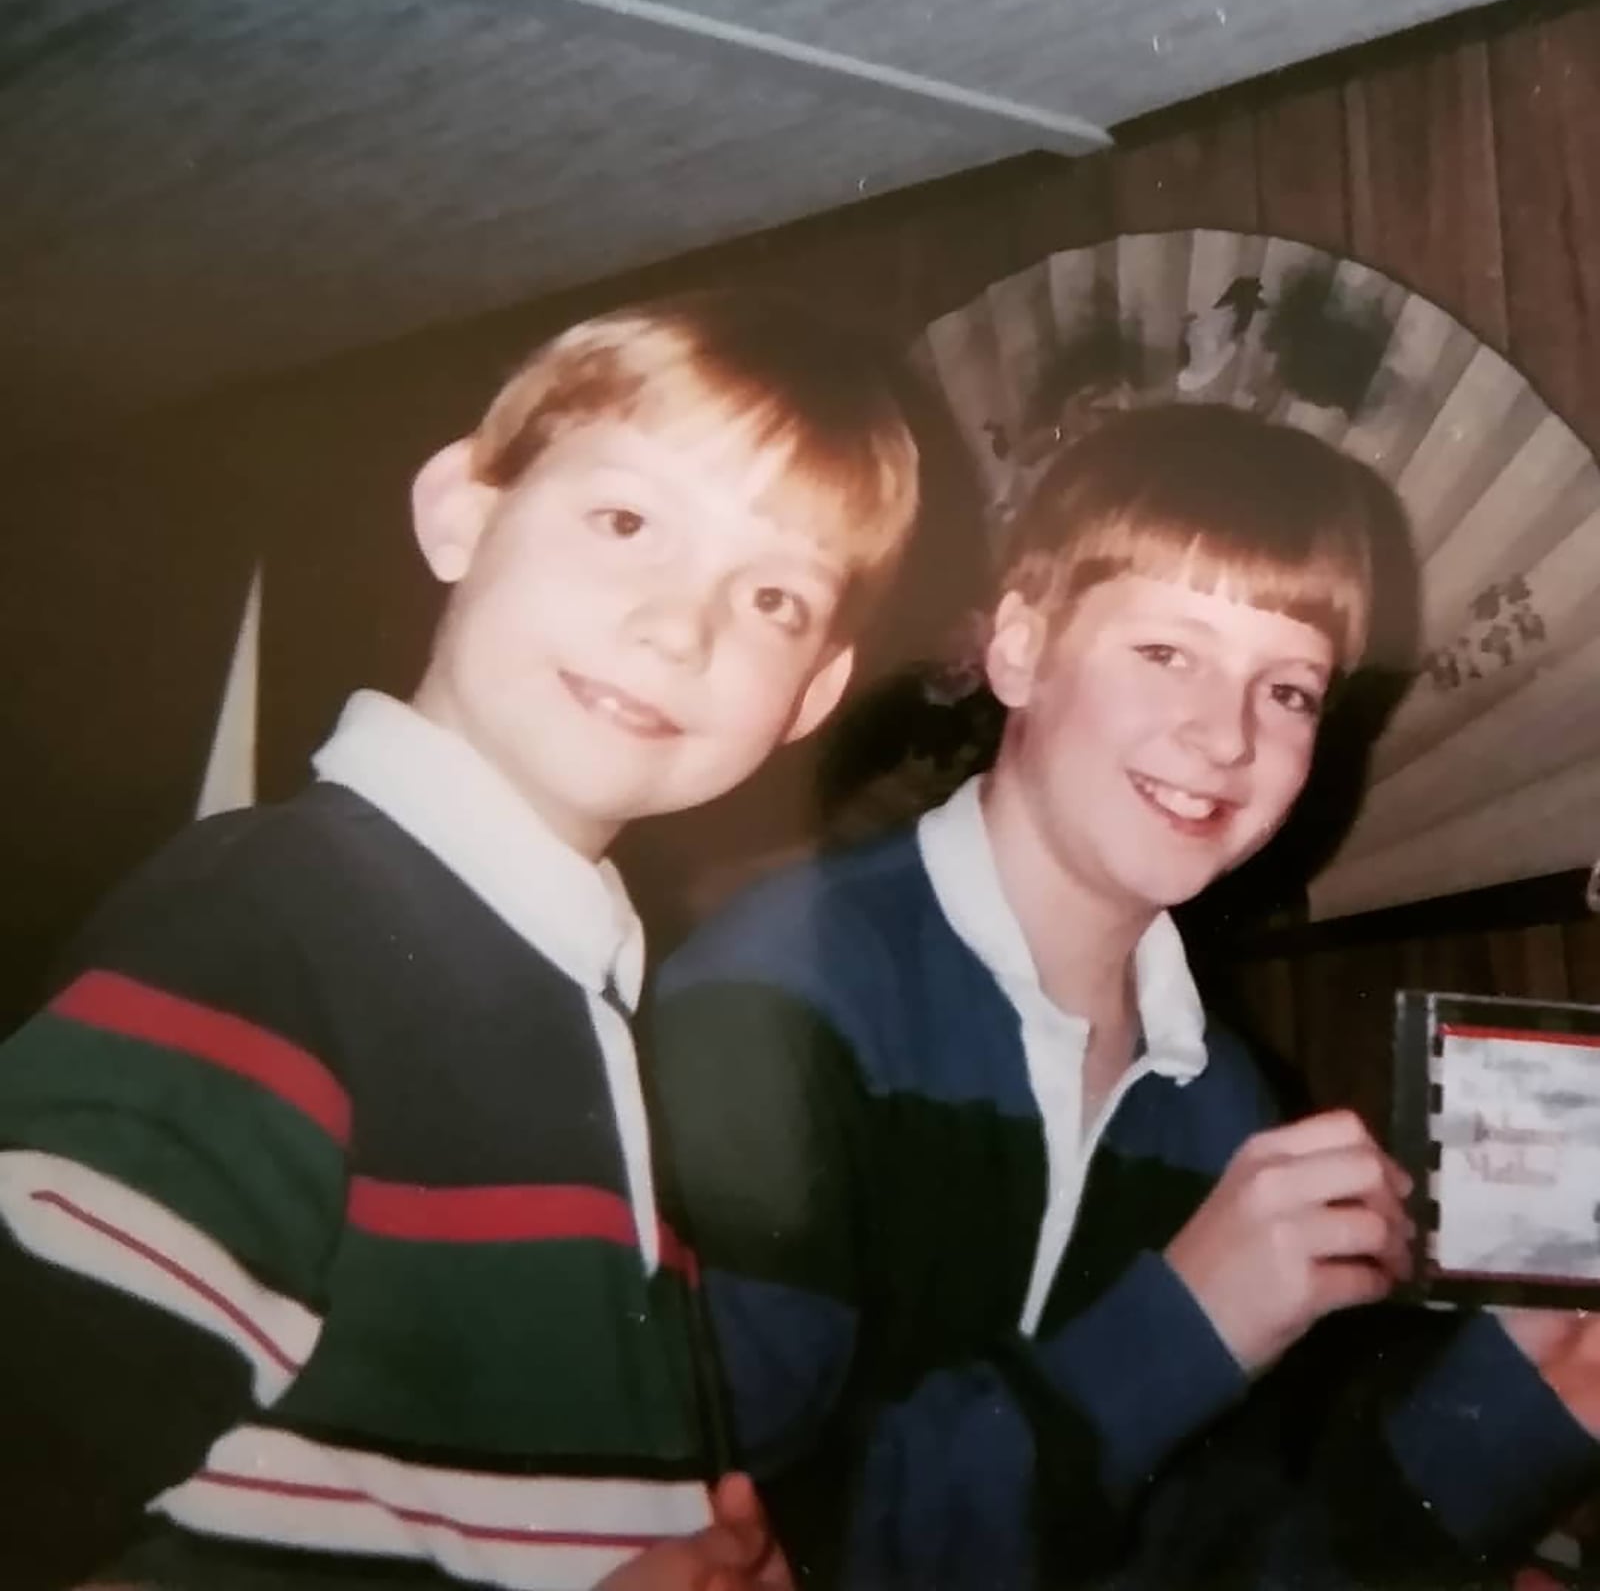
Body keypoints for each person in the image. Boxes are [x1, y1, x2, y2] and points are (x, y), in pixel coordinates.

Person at [0, 289, 920, 1590]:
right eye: (626, 521)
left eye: (774, 597)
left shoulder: (582, 1012)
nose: (680, 623)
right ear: (463, 514)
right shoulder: (267, 928)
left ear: (814, 695)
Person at [647, 403, 1600, 1589]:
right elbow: (729, 1543)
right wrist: (1186, 1322)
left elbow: (1214, 1566)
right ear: (1017, 652)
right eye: (1165, 652)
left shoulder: (1226, 1106)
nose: (1223, 736)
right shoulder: (781, 1002)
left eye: (1290, 689)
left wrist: (1534, 1385)